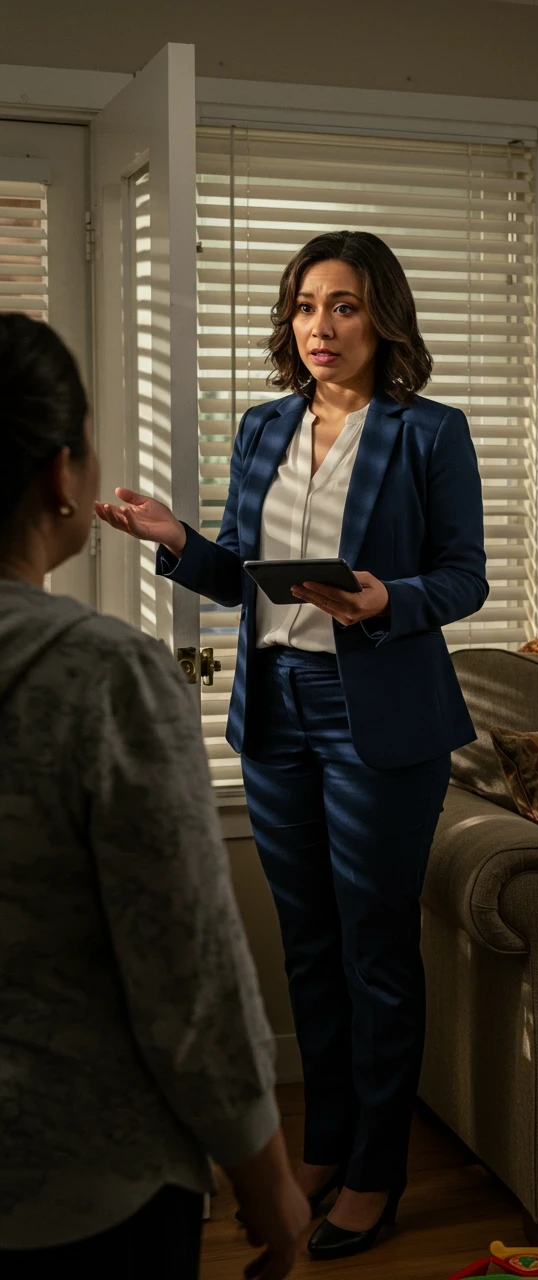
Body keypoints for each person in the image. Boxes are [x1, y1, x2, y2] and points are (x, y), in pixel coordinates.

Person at [96, 230, 488, 1261]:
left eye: (345, 304)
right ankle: (320, 1147)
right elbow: (245, 574)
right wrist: (176, 539)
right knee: (308, 944)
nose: (322, 325)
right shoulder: (264, 426)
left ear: (382, 315)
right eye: (307, 305)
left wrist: (383, 597)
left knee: (375, 949)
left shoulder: (429, 433)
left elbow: (463, 577)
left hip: (381, 722)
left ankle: (374, 1170)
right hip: (275, 711)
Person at [0, 315, 311, 1278]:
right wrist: (265, 1179)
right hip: (79, 1184)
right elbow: (189, 971)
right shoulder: (102, 675)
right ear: (64, 473)